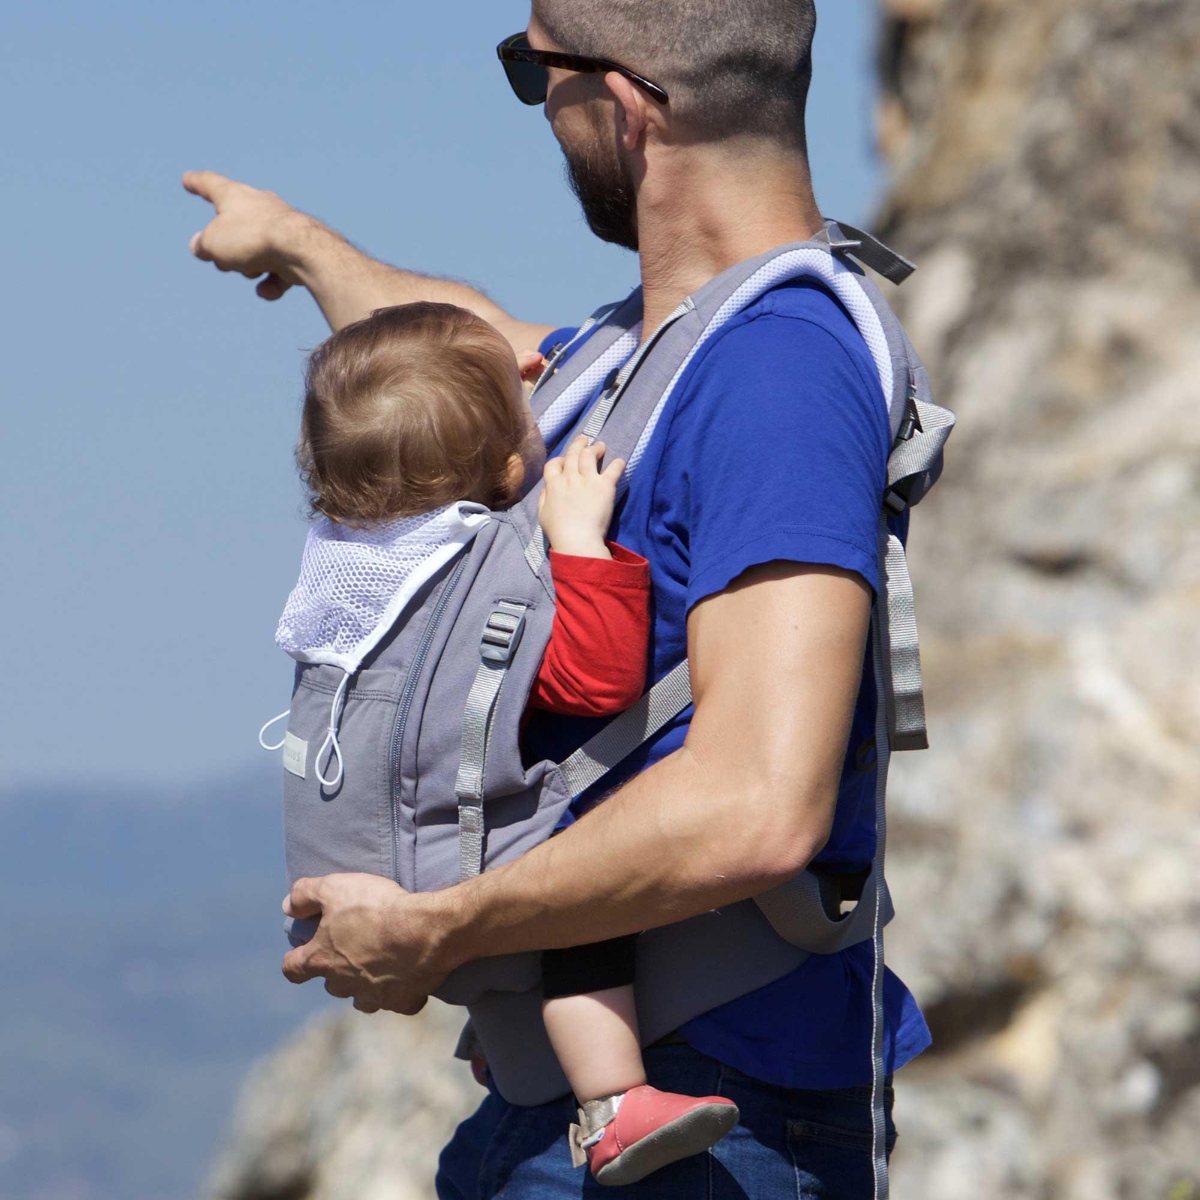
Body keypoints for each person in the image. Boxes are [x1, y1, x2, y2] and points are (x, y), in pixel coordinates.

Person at [185, 1, 933, 1195]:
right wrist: (302, 244)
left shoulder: (779, 374)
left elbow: (758, 805)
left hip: (718, 1116)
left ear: (627, 107)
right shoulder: (639, 354)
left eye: (534, 75)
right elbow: (453, 367)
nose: (539, 111)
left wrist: (441, 927)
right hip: (576, 1120)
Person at [276, 302, 739, 1185]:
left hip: (354, 867)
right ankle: (612, 1103)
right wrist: (579, 544)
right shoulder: (486, 568)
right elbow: (592, 680)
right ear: (507, 463)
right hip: (450, 884)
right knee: (583, 898)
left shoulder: (352, 565)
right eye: (521, 398)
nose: (539, 385)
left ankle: (511, 1041)